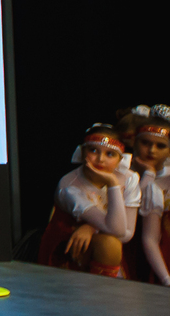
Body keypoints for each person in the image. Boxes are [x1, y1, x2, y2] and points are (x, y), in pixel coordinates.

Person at [36, 124, 140, 279]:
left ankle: (104, 291)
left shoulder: (129, 178)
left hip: (103, 245)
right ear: (82, 151)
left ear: (120, 159)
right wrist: (112, 183)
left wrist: (91, 227)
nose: (100, 159)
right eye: (93, 150)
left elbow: (127, 233)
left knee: (110, 243)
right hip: (70, 245)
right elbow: (117, 230)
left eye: (110, 154)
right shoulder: (69, 186)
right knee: (109, 243)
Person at [125, 113, 170, 286]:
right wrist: (149, 174)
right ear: (134, 142)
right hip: (129, 249)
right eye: (145, 143)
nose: (152, 150)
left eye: (160, 146)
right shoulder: (120, 172)